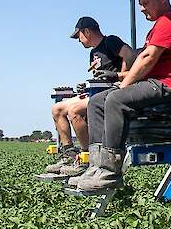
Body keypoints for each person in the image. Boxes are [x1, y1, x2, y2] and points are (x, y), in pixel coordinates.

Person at [71, 0, 171, 192]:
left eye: (146, 3)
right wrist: (120, 76)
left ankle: (111, 172)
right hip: (153, 82)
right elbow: (145, 64)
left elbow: (147, 58)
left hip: (168, 86)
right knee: (96, 101)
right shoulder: (160, 25)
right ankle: (96, 166)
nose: (142, 8)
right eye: (139, 4)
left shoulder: (170, 20)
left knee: (115, 99)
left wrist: (123, 86)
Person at [42, 16, 133, 177]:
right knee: (57, 109)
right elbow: (98, 77)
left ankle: (86, 157)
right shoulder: (93, 53)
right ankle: (69, 155)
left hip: (114, 90)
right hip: (96, 91)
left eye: (79, 36)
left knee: (74, 111)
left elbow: (130, 55)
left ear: (87, 31)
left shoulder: (110, 41)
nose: (79, 40)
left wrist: (120, 76)